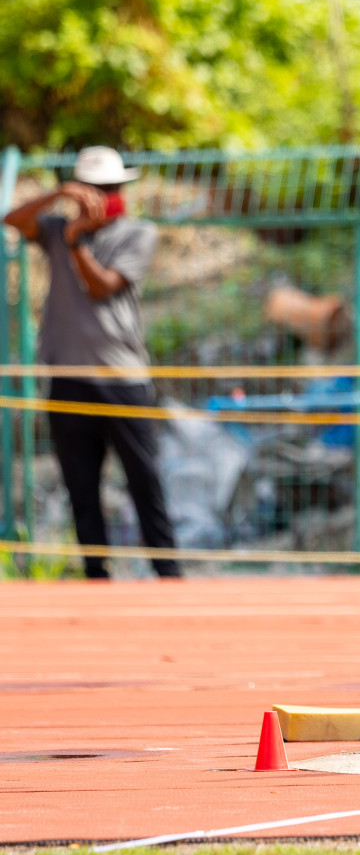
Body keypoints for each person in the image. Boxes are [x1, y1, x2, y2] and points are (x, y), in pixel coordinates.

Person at [3, 147, 180, 580]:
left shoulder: (138, 232)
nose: (104, 196)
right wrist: (56, 196)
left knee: (145, 481)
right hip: (67, 377)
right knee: (81, 487)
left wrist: (77, 242)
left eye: (111, 189)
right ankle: (96, 578)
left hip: (121, 378)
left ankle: (169, 575)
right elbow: (11, 221)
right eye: (95, 189)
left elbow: (102, 287)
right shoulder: (55, 227)